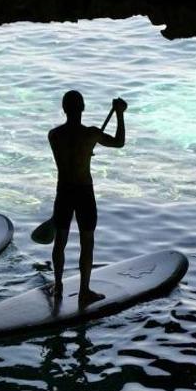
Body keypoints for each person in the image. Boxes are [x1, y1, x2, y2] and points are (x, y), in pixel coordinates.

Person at [48, 91, 127, 306]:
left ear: (64, 109)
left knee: (60, 242)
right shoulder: (90, 135)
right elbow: (119, 142)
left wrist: (85, 149)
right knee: (87, 242)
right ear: (83, 108)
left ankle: (58, 286)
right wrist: (120, 114)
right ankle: (84, 291)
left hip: (63, 191)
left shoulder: (54, 135)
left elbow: (72, 148)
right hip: (84, 192)